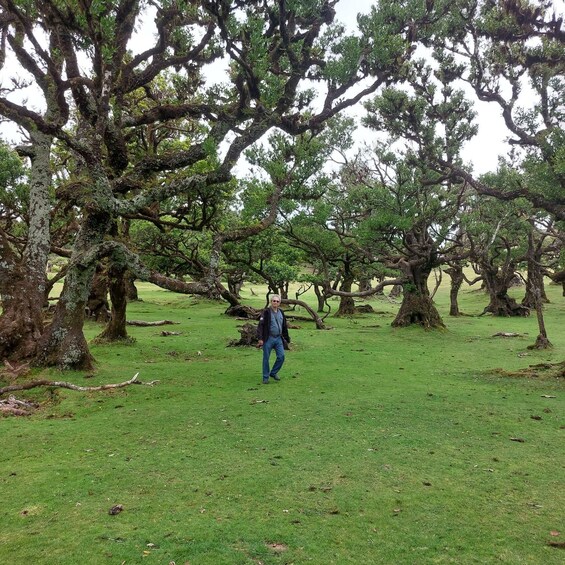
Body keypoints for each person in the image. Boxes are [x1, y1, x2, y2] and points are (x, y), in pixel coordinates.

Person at [257, 294, 291, 384]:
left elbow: (284, 326)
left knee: (281, 356)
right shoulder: (266, 312)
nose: (275, 302)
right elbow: (260, 325)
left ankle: (273, 372)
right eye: (274, 301)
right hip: (268, 338)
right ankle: (265, 377)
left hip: (278, 338)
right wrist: (260, 338)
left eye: (277, 301)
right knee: (266, 358)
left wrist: (287, 339)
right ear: (271, 302)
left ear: (279, 303)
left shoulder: (281, 312)